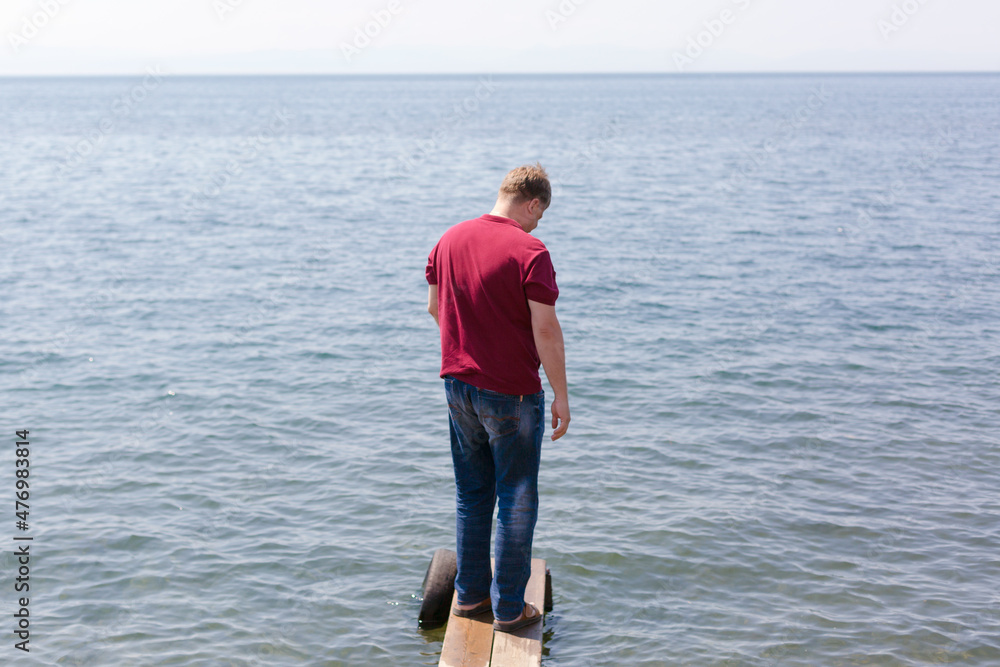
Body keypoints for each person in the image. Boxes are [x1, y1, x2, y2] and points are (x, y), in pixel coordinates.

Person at [425, 163, 570, 633]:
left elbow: (435, 307)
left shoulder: (449, 239)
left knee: (472, 493)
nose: (537, 224)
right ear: (532, 203)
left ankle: (469, 598)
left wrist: (471, 348)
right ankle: (509, 607)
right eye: (539, 215)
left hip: (458, 386)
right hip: (511, 393)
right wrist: (562, 396)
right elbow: (545, 329)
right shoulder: (531, 250)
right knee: (516, 498)